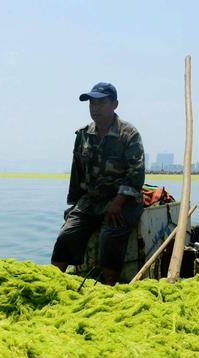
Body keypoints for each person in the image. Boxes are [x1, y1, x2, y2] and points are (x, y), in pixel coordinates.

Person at [51, 82, 145, 285]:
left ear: (115, 104)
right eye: (92, 103)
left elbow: (136, 174)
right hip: (91, 200)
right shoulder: (83, 135)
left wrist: (118, 203)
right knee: (66, 235)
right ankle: (54, 282)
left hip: (124, 201)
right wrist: (74, 206)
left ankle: (109, 286)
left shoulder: (128, 134)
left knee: (109, 238)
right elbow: (77, 174)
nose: (95, 108)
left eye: (100, 103)